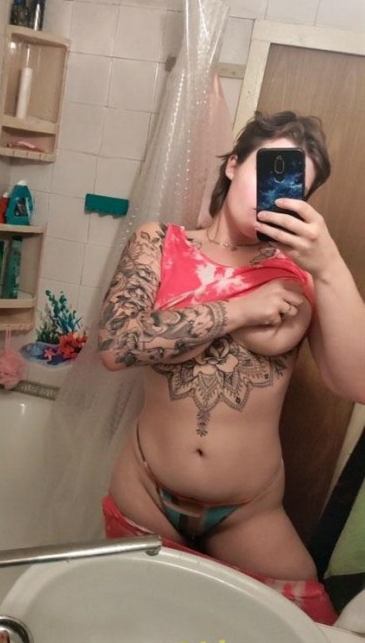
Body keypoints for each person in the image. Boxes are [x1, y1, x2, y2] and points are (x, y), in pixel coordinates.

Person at [97, 111, 365, 622]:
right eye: (266, 169)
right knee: (135, 622)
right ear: (233, 165)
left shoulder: (301, 272)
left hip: (248, 512)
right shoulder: (161, 241)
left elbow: (358, 382)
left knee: (311, 626)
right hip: (144, 491)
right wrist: (239, 311)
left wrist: (328, 263)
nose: (273, 193)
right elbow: (116, 345)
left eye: (292, 187)